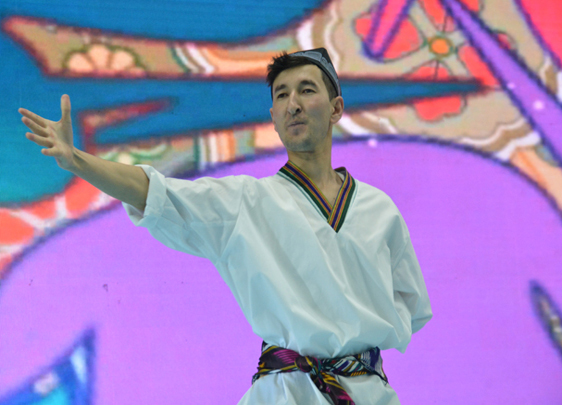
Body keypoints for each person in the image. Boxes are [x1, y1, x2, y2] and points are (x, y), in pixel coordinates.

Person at [19, 48, 432, 404]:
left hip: (368, 394)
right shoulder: (244, 202)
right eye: (282, 95)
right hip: (284, 394)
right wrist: (78, 161)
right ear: (273, 117)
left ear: (336, 108)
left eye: (307, 90)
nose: (293, 104)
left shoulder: (379, 210)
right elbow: (155, 193)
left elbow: (411, 307)